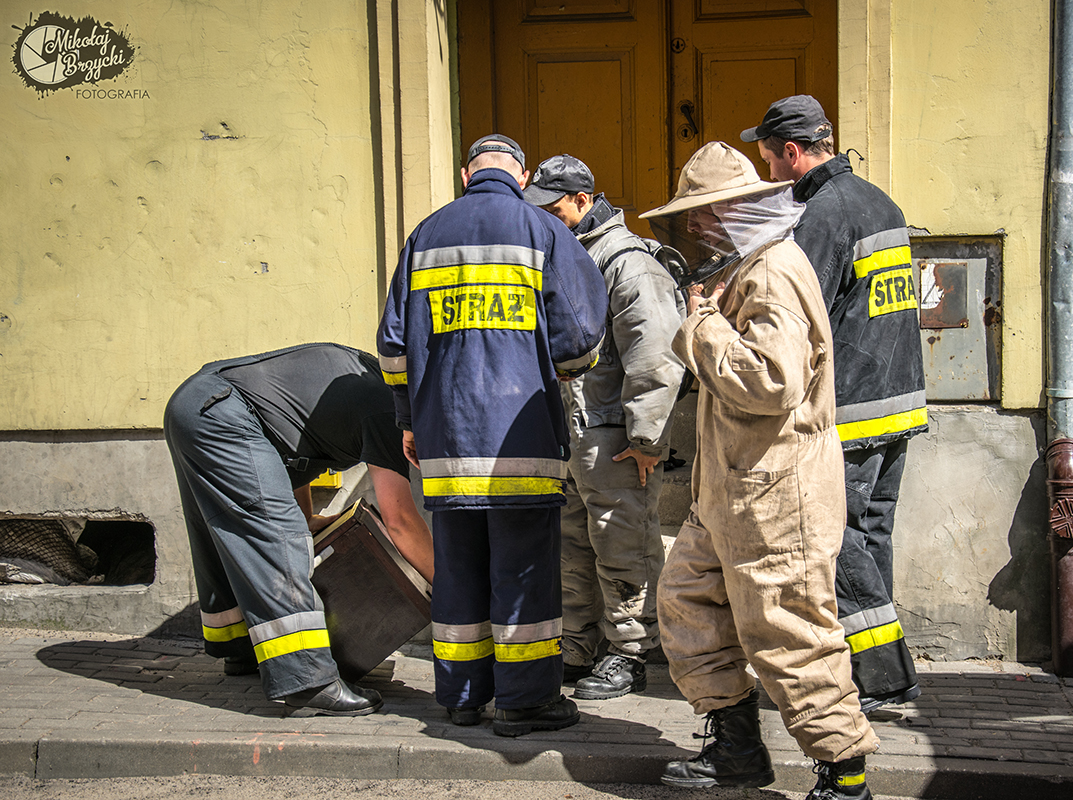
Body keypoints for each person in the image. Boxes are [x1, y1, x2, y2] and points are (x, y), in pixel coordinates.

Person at [641, 142, 878, 799]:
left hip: (776, 496)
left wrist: (701, 327)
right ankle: (735, 751)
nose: (695, 229)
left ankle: (845, 776)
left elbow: (772, 381)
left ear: (733, 210)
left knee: (791, 633)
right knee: (688, 601)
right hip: (730, 494)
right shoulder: (745, 266)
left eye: (703, 215)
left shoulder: (769, 272)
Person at [376, 135, 608, 736]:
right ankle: (525, 702)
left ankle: (460, 697)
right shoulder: (543, 230)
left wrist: (408, 419)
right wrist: (559, 370)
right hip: (520, 437)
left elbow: (394, 347)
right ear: (523, 173)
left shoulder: (424, 236)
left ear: (464, 173)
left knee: (458, 568)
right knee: (523, 570)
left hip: (445, 440)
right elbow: (580, 338)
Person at [741, 96, 926, 715]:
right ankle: (869, 667)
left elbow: (798, 313)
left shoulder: (821, 214)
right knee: (871, 537)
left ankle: (879, 675)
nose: (767, 173)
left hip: (851, 409)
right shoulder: (880, 201)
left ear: (792, 153)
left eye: (768, 160)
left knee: (834, 540)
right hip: (899, 402)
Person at [164, 342, 435, 716]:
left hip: (197, 404)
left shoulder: (364, 381)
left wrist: (307, 517)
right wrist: (452, 588)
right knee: (278, 537)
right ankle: (308, 682)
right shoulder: (387, 412)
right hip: (221, 412)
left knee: (227, 535)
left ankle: (242, 648)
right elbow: (400, 520)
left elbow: (288, 444)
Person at [524, 154, 686, 699]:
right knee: (573, 542)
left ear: (584, 201)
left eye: (552, 207)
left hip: (614, 438)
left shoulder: (627, 262)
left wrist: (646, 440)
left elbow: (657, 355)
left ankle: (632, 651)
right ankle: (578, 643)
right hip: (573, 434)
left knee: (623, 543)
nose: (544, 216)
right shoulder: (566, 254)